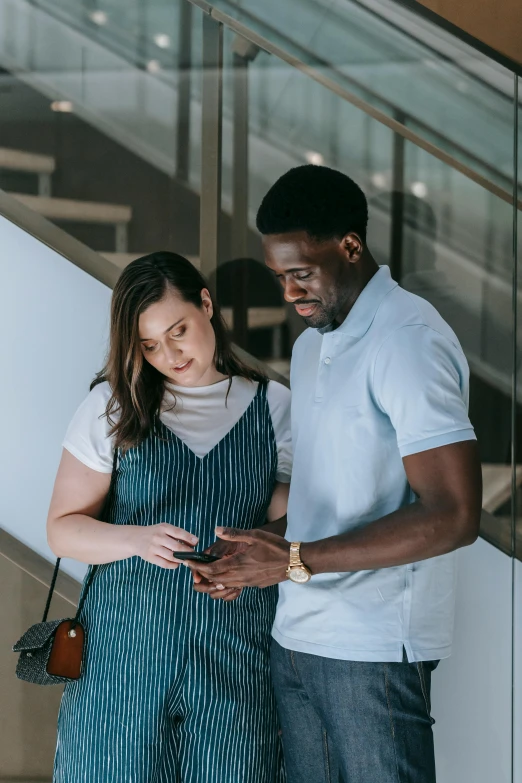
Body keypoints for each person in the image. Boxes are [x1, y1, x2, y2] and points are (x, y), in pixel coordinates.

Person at [190, 166, 483, 783]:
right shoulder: (311, 344)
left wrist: (294, 559)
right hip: (297, 633)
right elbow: (340, 489)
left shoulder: (409, 338)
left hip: (372, 648)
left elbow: (455, 514)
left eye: (302, 273)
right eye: (280, 277)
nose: (291, 293)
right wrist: (268, 544)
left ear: (351, 246)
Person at [47, 252, 291, 782]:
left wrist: (253, 549)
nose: (170, 354)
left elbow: (295, 524)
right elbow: (63, 528)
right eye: (150, 345)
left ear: (206, 304)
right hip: (123, 656)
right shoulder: (112, 406)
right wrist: (135, 538)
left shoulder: (273, 407)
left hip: (236, 650)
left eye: (178, 331)